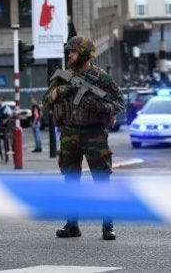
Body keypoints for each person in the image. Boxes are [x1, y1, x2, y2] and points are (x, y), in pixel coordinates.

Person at [42, 35, 124, 241]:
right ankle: (72, 225)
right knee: (70, 180)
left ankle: (108, 226)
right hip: (69, 133)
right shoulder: (62, 76)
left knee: (102, 180)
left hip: (94, 134)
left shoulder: (101, 78)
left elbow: (120, 104)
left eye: (74, 52)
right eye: (70, 52)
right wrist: (63, 90)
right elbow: (45, 102)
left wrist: (100, 107)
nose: (70, 55)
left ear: (85, 55)